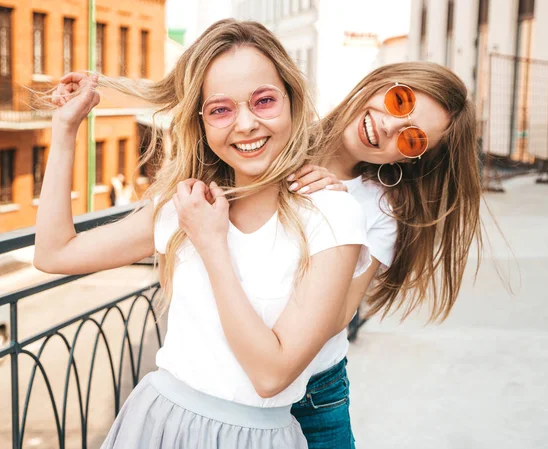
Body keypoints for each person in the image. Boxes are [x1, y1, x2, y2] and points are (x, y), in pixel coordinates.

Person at [34, 19, 371, 449]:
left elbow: (272, 375)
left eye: (264, 101)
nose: (246, 124)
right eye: (221, 109)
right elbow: (55, 253)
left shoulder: (331, 214)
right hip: (157, 424)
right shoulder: (189, 204)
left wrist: (212, 244)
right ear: (201, 122)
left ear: (291, 101)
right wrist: (64, 130)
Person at [285, 62, 483, 448]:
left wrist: (334, 209)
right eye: (399, 101)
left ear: (408, 161)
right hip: (229, 381)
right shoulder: (275, 142)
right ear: (379, 83)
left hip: (313, 396)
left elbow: (337, 316)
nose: (392, 127)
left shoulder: (379, 208)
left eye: (411, 140)